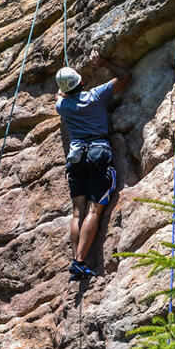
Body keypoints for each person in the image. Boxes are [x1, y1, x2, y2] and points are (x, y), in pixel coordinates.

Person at [55, 52, 132, 278]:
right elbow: (125, 77)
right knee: (94, 210)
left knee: (77, 212)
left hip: (76, 159)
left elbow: (58, 98)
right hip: (98, 154)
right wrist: (104, 62)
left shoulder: (63, 107)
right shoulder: (95, 96)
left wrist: (62, 91)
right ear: (80, 82)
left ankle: (74, 260)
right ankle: (80, 261)